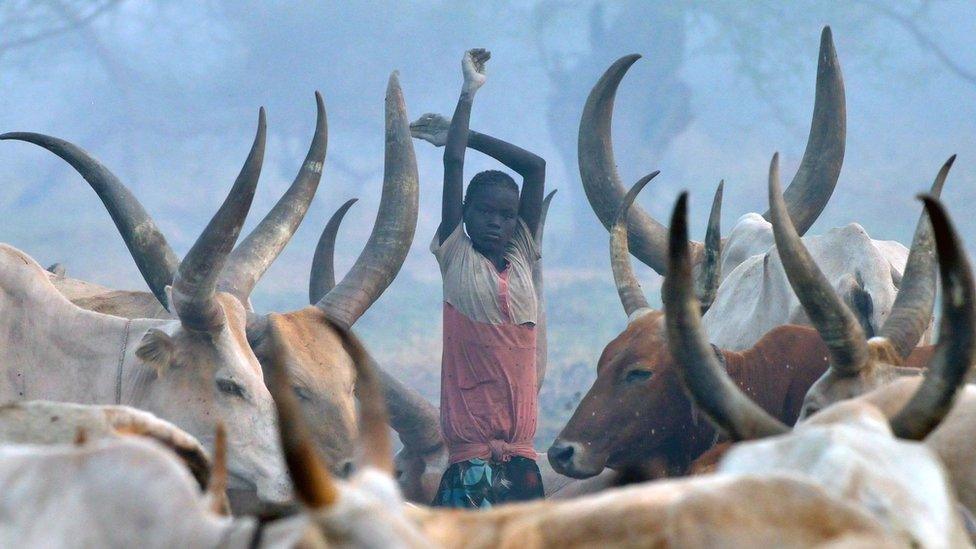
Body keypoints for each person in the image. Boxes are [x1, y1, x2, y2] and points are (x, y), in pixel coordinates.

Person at [410, 48, 546, 508]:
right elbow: (452, 167)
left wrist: (465, 136)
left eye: (506, 215)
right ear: (465, 215)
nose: (496, 223)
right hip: (469, 462)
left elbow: (535, 167)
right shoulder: (456, 254)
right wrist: (466, 97)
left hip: (522, 458)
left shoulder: (523, 253)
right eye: (484, 213)